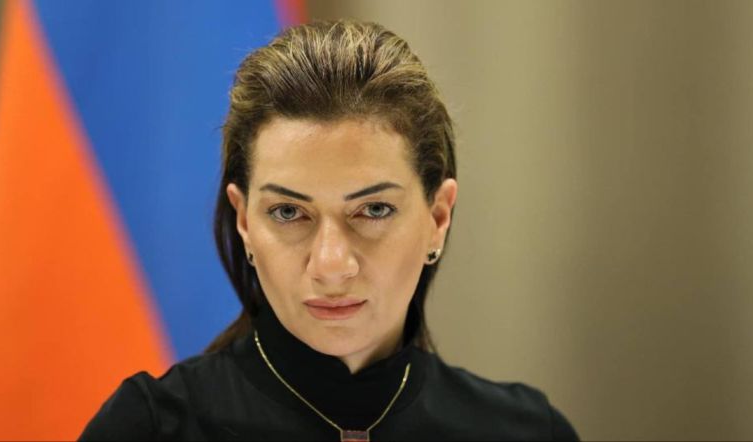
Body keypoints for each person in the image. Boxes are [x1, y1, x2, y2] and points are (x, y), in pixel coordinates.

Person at [79, 19, 579, 441]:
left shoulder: (529, 431)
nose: (331, 265)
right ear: (244, 221)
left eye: (374, 210)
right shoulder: (149, 428)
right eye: (288, 212)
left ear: (437, 218)